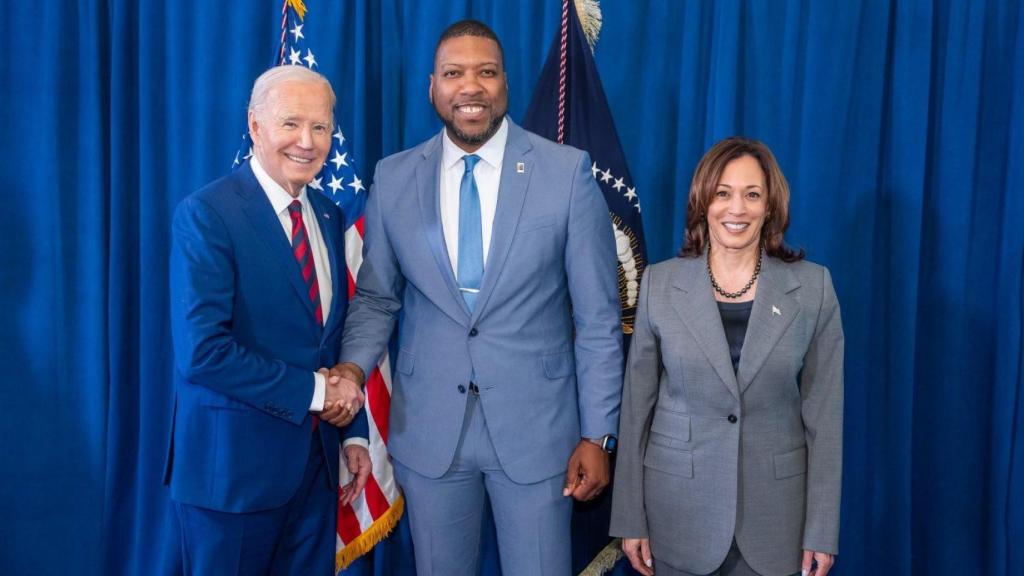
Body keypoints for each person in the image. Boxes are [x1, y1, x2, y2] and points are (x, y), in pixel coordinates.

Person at [331, 19, 623, 576]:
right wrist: (349, 367)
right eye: (454, 74)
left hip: (539, 436)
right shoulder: (393, 179)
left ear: (505, 84)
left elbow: (598, 318)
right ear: (433, 87)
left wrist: (598, 435)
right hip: (430, 432)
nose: (471, 87)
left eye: (486, 72)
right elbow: (376, 300)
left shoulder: (565, 174)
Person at [166, 65, 371, 575]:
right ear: (255, 126)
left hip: (318, 470)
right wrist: (319, 395)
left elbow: (330, 340)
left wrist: (353, 433)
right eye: (291, 124)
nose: (307, 142)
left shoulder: (326, 213)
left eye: (321, 127)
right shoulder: (207, 214)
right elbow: (203, 352)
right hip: (232, 477)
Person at [610, 137, 844, 576]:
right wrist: (628, 517)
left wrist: (821, 530)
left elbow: (825, 422)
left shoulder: (814, 289)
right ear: (703, 202)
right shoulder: (660, 285)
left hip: (777, 523)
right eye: (723, 193)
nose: (737, 208)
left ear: (770, 206)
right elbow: (636, 410)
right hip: (677, 515)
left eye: (752, 195)